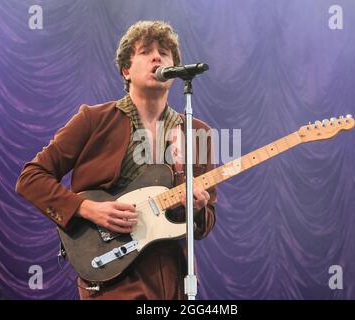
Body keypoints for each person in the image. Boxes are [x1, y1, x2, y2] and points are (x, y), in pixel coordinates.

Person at [15, 20, 217, 300]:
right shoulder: (93, 120)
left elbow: (206, 225)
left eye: (166, 52)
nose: (158, 56)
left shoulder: (196, 133)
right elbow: (31, 178)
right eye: (146, 51)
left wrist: (197, 209)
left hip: (174, 274)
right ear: (126, 70)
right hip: (111, 272)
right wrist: (85, 208)